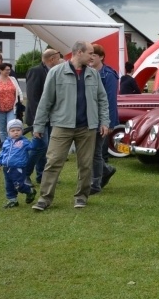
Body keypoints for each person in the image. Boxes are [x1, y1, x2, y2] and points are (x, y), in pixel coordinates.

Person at [31, 41, 110, 211]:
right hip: (61, 125)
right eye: (90, 53)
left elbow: (102, 100)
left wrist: (104, 121)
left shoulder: (93, 74)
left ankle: (81, 196)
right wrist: (38, 125)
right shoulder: (56, 72)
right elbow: (46, 101)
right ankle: (44, 199)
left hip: (87, 127)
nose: (92, 56)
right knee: (53, 162)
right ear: (79, 52)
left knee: (85, 164)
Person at [26, 48, 62, 183]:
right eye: (58, 59)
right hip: (38, 118)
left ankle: (42, 175)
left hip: (50, 118)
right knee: (39, 146)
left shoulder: (52, 71)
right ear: (52, 59)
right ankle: (24, 174)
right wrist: (39, 121)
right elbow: (33, 97)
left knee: (45, 147)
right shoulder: (36, 71)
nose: (59, 61)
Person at [89, 44, 119, 194]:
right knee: (92, 151)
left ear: (101, 57)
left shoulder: (108, 74)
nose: (91, 58)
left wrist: (109, 122)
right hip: (89, 118)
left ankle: (98, 179)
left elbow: (110, 99)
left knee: (97, 151)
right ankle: (105, 171)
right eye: (90, 55)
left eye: (94, 55)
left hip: (102, 118)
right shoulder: (87, 72)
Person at [0, 119, 37, 209]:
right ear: (8, 132)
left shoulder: (24, 142)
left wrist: (36, 139)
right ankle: (12, 200)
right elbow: (2, 153)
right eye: (13, 131)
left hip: (18, 167)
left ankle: (30, 191)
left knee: (19, 185)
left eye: (18, 130)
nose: (16, 132)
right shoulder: (6, 142)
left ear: (22, 131)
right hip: (7, 168)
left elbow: (32, 147)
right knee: (9, 185)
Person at [0, 62, 24, 145]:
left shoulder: (13, 79)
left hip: (12, 108)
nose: (8, 71)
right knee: (2, 129)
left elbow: (18, 91)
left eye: (9, 70)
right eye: (6, 70)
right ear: (0, 70)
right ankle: (5, 146)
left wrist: (20, 100)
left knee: (11, 126)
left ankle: (12, 144)